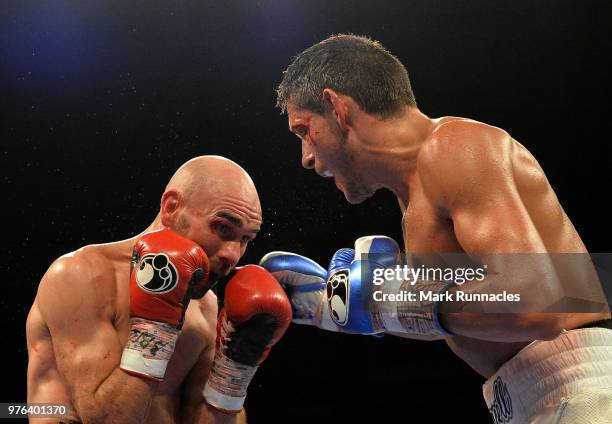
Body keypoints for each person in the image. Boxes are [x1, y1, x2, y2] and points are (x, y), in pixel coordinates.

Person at [261, 34, 612, 423]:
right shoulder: (414, 194)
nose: (307, 158)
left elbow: (537, 307)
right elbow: (456, 312)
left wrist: (386, 301)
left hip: (581, 389)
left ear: (338, 107)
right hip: (533, 399)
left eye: (303, 131)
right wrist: (330, 305)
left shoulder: (454, 148)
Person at [26, 156, 292, 423]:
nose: (233, 255)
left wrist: (235, 369)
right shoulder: (81, 276)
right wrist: (157, 326)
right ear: (171, 207)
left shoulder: (207, 306)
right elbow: (104, 419)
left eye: (245, 239)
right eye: (222, 228)